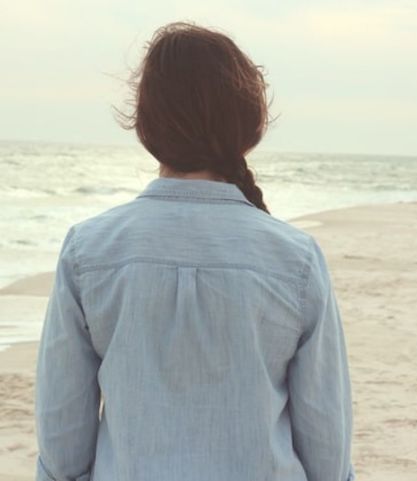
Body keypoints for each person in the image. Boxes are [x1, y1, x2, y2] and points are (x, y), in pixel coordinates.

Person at [34, 21, 355, 481]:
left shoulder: (88, 251)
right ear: (248, 123)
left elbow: (62, 443)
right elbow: (327, 448)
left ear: (146, 124)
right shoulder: (296, 259)